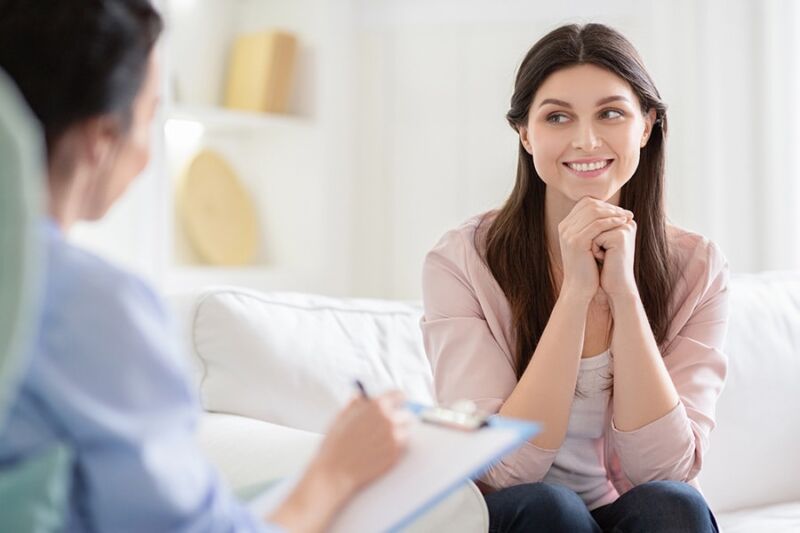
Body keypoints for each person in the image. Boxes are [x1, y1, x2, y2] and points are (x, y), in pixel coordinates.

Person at [0, 1, 410, 532]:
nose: (146, 154)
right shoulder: (88, 303)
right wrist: (333, 473)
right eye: (149, 117)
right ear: (102, 140)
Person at [421, 23, 727, 533]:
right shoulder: (461, 261)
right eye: (557, 117)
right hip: (521, 513)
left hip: (631, 510)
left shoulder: (696, 268)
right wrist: (577, 293)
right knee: (550, 508)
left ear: (646, 125)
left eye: (611, 113)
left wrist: (623, 294)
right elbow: (502, 470)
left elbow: (666, 469)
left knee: (673, 505)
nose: (586, 140)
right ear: (525, 132)